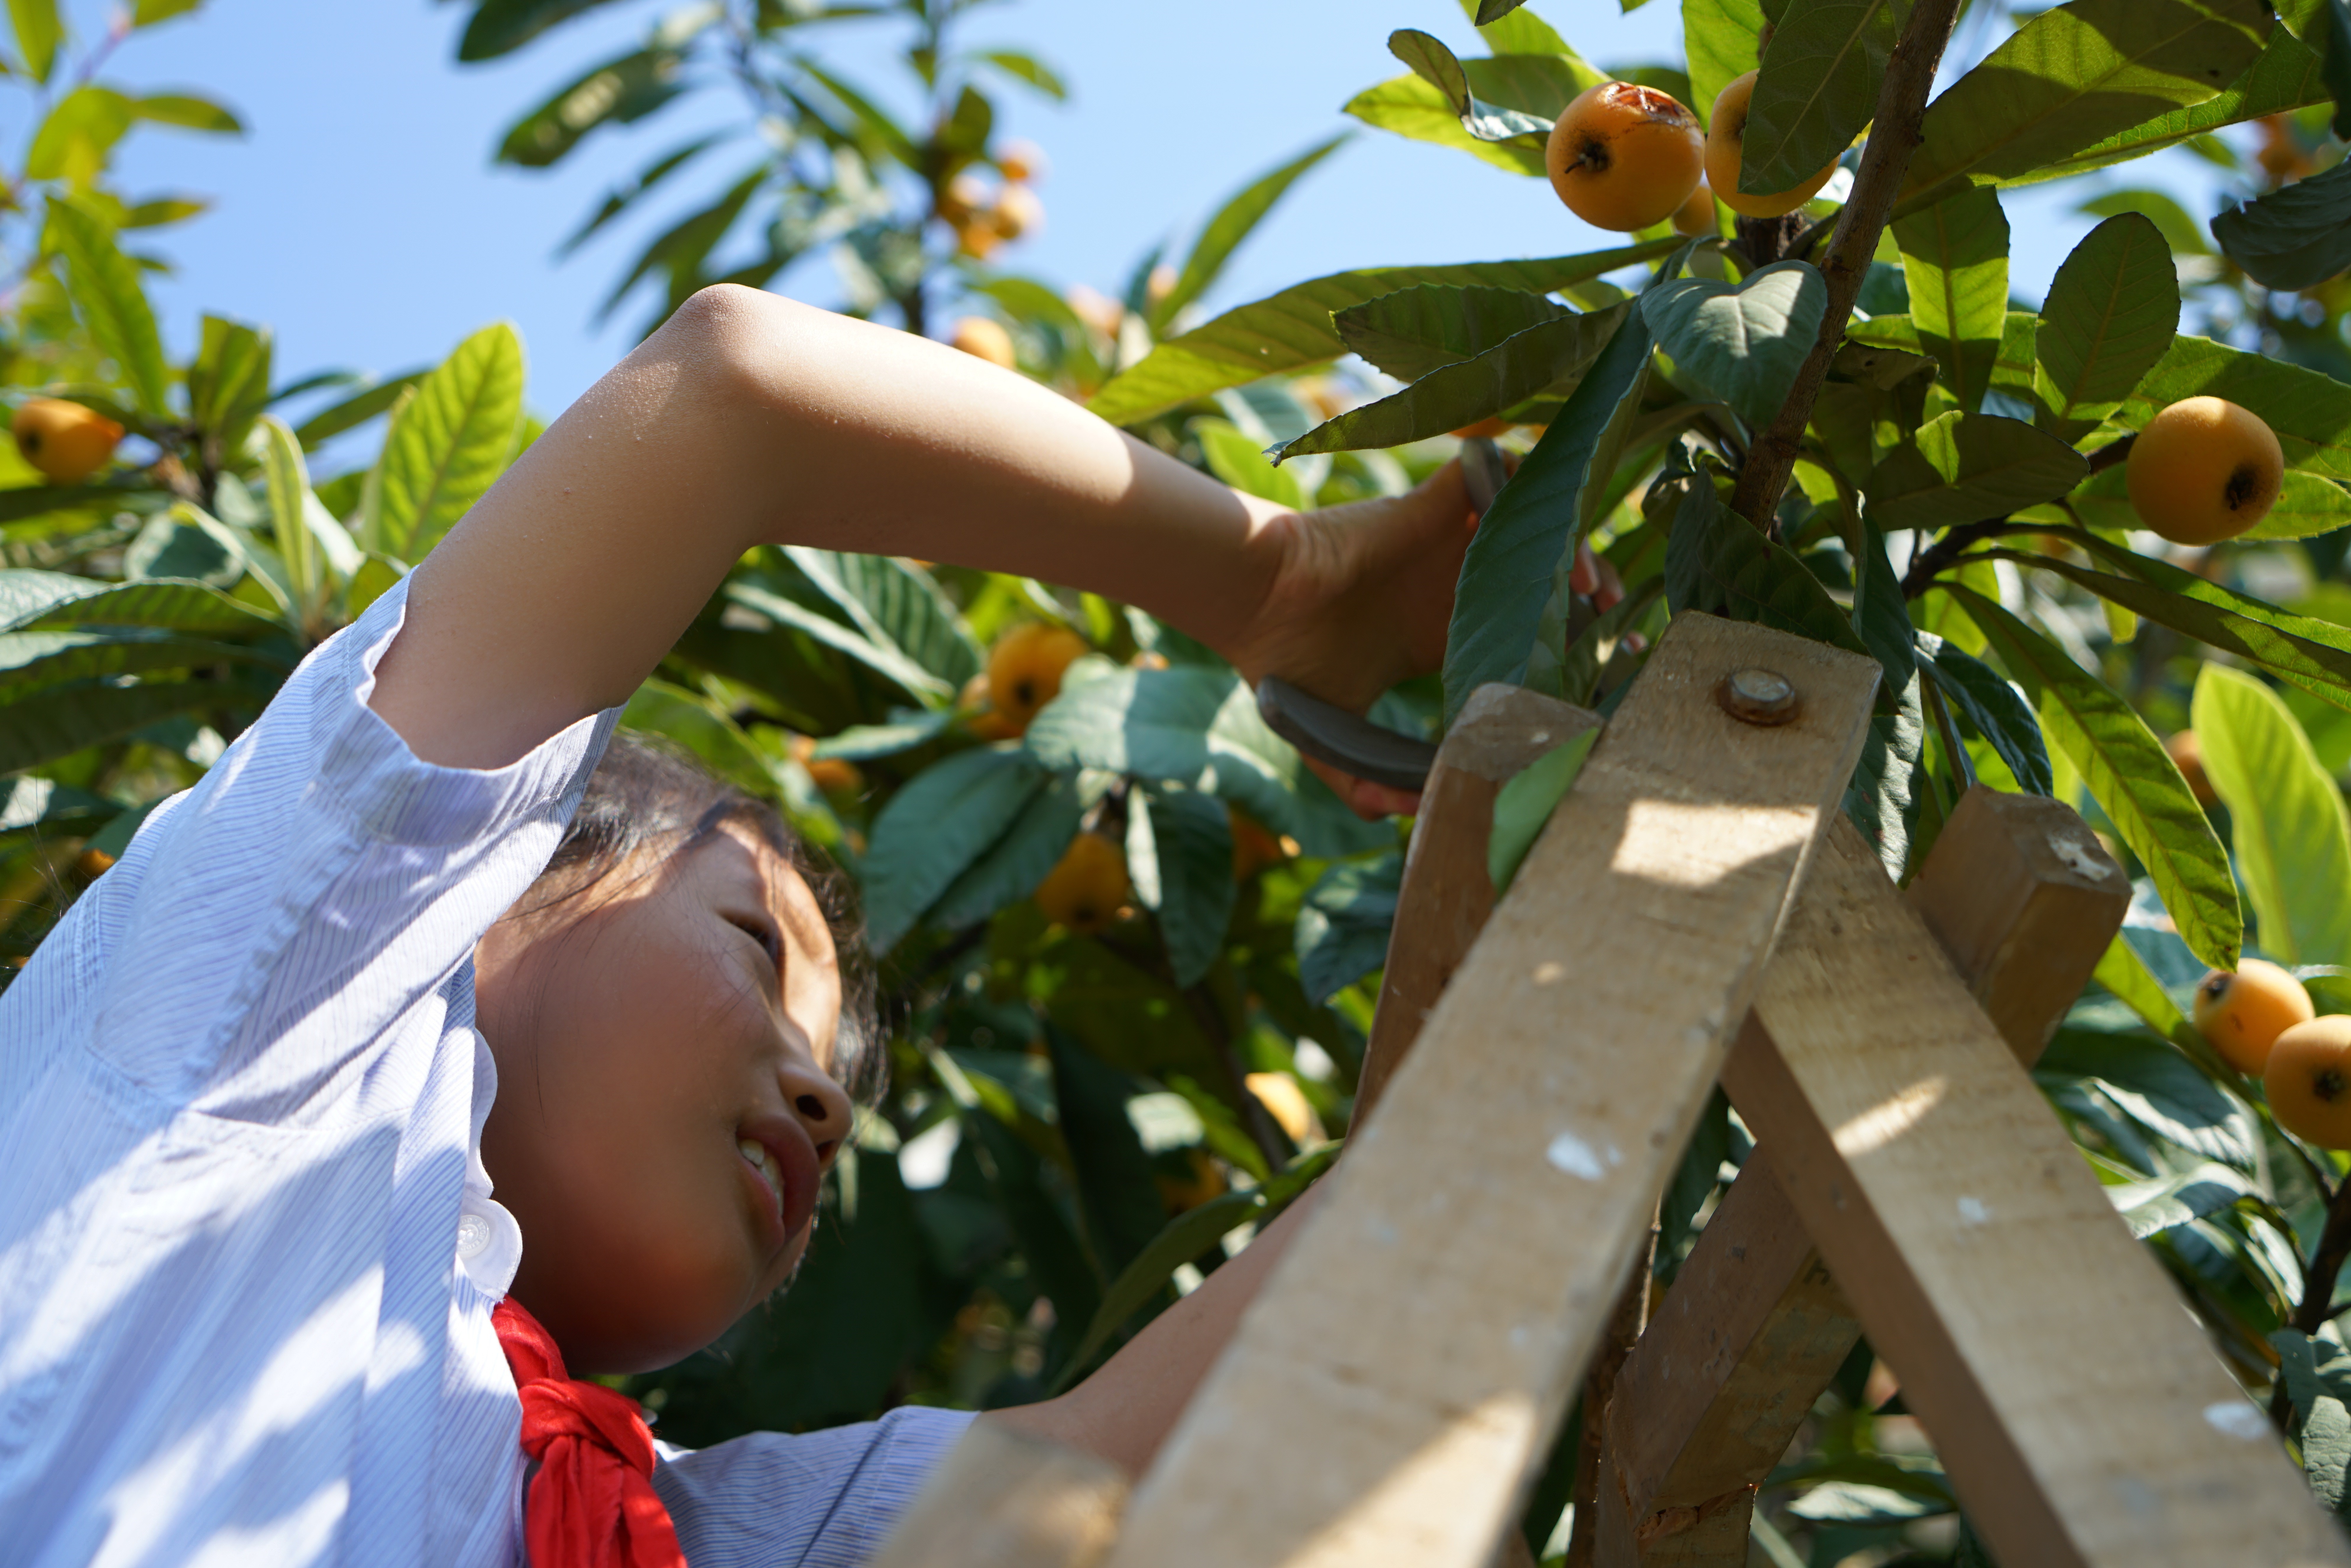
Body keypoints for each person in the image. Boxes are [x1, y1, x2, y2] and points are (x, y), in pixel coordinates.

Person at [0, 284, 1499, 1567]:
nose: (824, 1094)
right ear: (487, 898)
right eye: (752, 944)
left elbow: (1112, 1479)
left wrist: (1563, 971)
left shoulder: (669, 1528)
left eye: (836, 1079)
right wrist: (1285, 581)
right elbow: (737, 391)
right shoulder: (255, 1013)